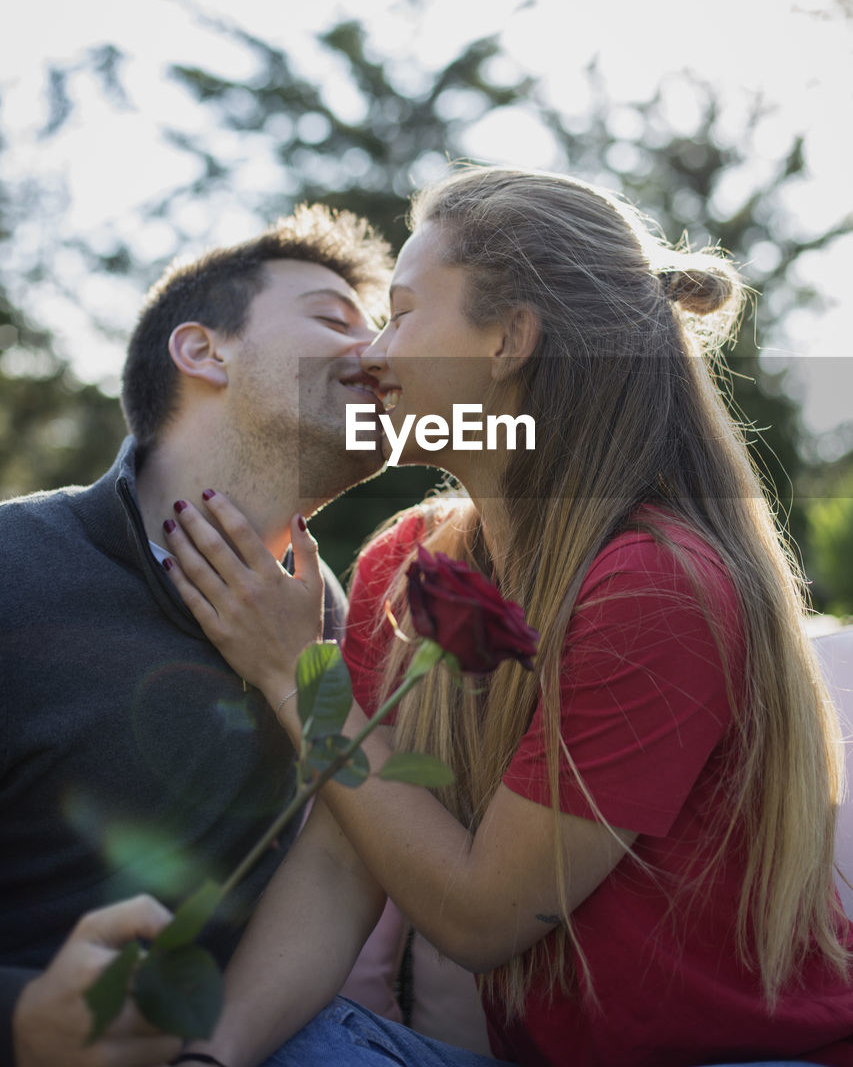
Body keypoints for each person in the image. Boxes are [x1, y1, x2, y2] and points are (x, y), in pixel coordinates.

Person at [161, 166, 853, 1067]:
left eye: (402, 312)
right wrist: (206, 1057)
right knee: (289, 1045)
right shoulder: (404, 563)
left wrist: (297, 675)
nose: (371, 353)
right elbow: (342, 860)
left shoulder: (655, 585)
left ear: (508, 339)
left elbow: (484, 919)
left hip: (746, 1061)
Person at [1, 204, 393, 1067]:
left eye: (388, 331)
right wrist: (21, 1016)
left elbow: (345, 867)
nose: (383, 353)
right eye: (335, 320)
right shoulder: (12, 568)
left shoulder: (343, 621)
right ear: (203, 350)